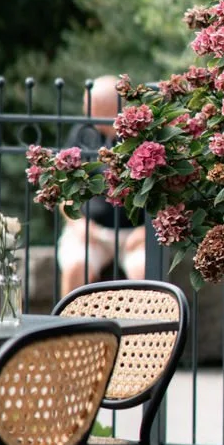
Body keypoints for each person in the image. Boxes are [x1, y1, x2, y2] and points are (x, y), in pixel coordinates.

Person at [58, 75, 147, 296]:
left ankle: (143, 331)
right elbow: (62, 188)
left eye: (90, 106)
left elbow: (168, 192)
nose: (85, 111)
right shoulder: (82, 132)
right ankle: (68, 330)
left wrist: (146, 231)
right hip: (91, 231)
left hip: (136, 234)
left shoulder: (142, 134)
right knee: (76, 268)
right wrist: (79, 225)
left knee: (145, 273)